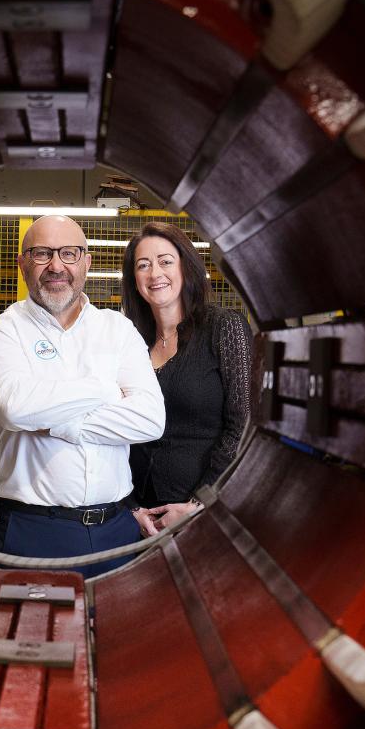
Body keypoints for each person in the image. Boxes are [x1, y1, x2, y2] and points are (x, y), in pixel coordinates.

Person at [0, 215, 165, 577]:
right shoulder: (2, 331)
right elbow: (16, 409)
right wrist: (104, 388)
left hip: (117, 530)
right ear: (22, 264)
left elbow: (149, 420)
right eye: (41, 253)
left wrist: (56, 424)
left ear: (86, 262)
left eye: (69, 253)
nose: (56, 265)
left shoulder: (118, 329)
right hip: (32, 531)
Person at [120, 221, 253, 536]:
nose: (155, 273)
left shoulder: (224, 327)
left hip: (205, 514)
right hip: (136, 517)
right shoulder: (128, 341)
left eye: (165, 261)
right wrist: (131, 507)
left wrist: (198, 504)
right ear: (134, 279)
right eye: (143, 265)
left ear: (186, 267)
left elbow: (243, 426)